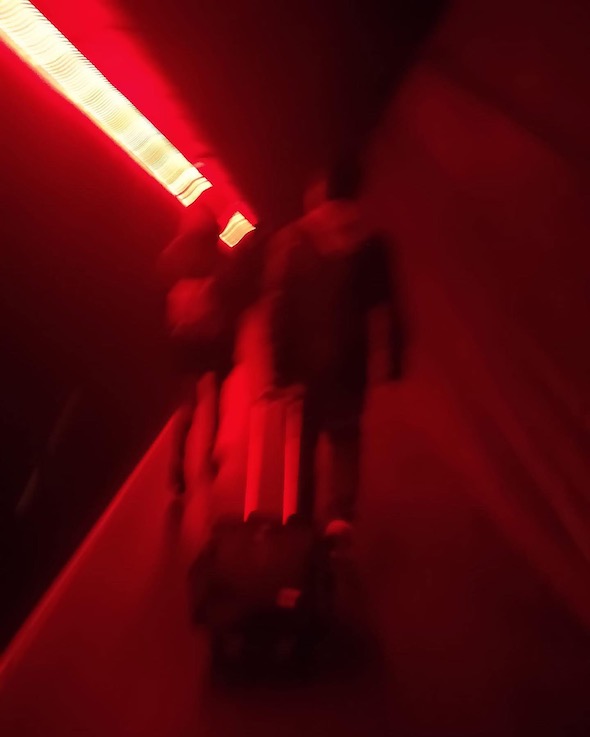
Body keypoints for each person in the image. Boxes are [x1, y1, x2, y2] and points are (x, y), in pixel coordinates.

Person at [268, 155, 406, 540]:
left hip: (303, 365)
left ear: (321, 193)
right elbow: (388, 305)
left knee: (303, 443)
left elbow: (281, 308)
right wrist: (393, 357)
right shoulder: (371, 243)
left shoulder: (294, 241)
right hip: (350, 360)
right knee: (345, 437)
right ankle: (340, 517)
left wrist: (279, 370)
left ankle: (300, 521)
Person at [158, 203, 261, 495]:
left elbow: (159, 297)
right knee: (215, 400)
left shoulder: (169, 257)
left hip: (183, 342)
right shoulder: (218, 257)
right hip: (215, 339)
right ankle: (209, 456)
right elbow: (234, 294)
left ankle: (177, 465)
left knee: (187, 404)